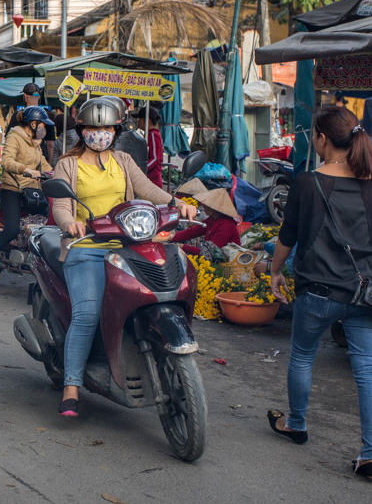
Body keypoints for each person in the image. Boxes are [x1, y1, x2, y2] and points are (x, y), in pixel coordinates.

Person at [52, 97, 196, 418]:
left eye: (106, 128)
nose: (100, 133)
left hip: (124, 246)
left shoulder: (123, 160)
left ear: (116, 131)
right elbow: (61, 204)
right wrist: (68, 223)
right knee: (87, 314)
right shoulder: (68, 163)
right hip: (86, 247)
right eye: (94, 127)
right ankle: (72, 385)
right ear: (83, 130)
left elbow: (146, 188)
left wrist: (176, 201)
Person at [267, 107, 372, 479]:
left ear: (322, 139)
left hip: (319, 292)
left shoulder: (307, 182)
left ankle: (297, 424)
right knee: (368, 370)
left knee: (303, 356)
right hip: (366, 293)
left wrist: (274, 271)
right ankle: (370, 455)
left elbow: (288, 237)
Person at [0, 106, 52, 254]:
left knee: (49, 222)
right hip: (13, 190)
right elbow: (6, 161)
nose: (44, 128)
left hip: (32, 191)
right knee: (12, 230)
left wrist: (57, 173)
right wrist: (25, 170)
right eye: (42, 125)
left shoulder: (36, 142)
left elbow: (43, 164)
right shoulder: (14, 136)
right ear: (33, 124)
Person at [168, 188, 240, 255]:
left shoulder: (226, 225)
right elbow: (191, 232)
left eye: (207, 205)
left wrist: (183, 247)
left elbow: (211, 251)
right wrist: (170, 237)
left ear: (214, 209)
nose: (204, 206)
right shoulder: (212, 219)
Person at [5, 83, 56, 161]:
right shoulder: (46, 116)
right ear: (39, 96)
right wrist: (49, 163)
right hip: (41, 157)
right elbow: (50, 144)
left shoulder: (18, 115)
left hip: (20, 159)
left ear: (25, 96)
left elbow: (8, 139)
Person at [135, 105, 164, 188]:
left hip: (153, 180)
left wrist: (141, 170)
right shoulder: (150, 135)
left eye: (140, 119)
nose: (138, 122)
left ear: (147, 121)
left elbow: (155, 158)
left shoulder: (153, 135)